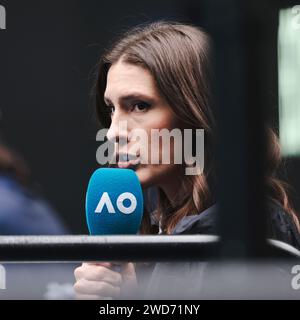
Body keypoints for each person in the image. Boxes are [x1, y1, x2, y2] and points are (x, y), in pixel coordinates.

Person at [74, 21, 300, 299]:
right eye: (111, 109)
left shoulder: (243, 230)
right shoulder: (159, 226)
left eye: (140, 106)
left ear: (197, 113)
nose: (113, 132)